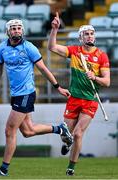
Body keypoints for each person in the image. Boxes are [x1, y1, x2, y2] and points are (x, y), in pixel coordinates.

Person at [0, 19, 73, 176]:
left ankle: (3, 169)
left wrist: (57, 87)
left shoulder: (29, 48)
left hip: (26, 93)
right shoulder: (2, 48)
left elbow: (44, 69)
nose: (16, 31)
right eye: (13, 29)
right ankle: (60, 129)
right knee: (28, 130)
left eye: (19, 28)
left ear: (22, 31)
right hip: (16, 94)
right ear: (8, 32)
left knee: (9, 130)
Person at [48, 12, 110, 176]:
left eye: (91, 33)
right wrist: (54, 30)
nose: (89, 36)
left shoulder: (101, 56)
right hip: (74, 99)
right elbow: (52, 47)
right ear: (80, 38)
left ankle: (71, 168)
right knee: (66, 135)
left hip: (90, 100)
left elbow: (107, 82)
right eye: (86, 34)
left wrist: (94, 77)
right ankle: (66, 143)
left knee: (77, 134)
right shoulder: (74, 51)